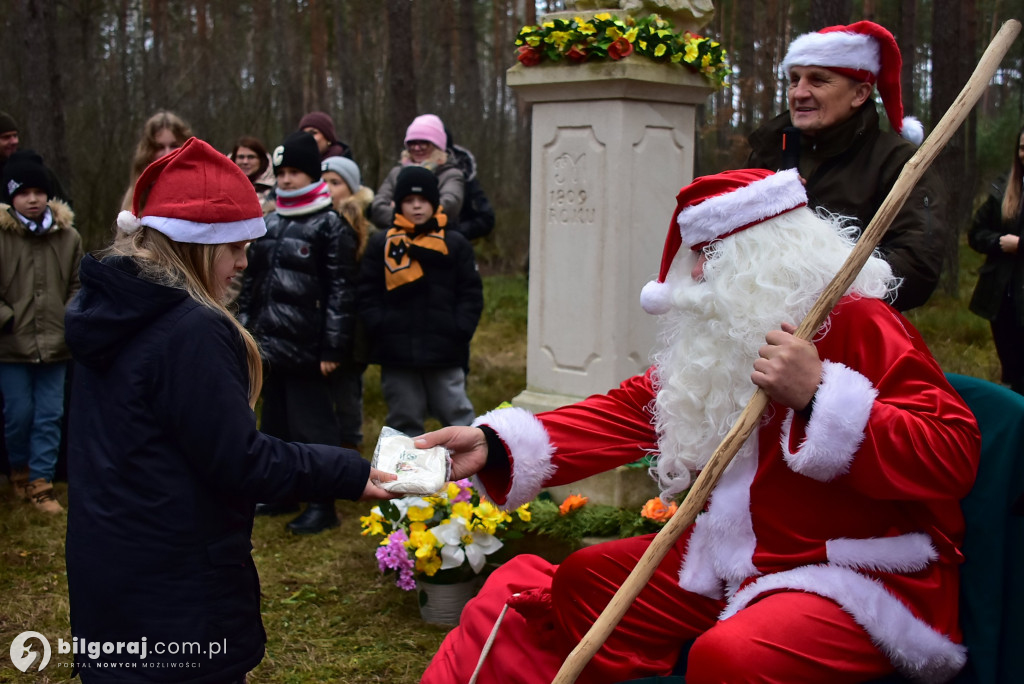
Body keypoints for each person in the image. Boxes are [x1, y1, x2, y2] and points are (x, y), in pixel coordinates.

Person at [417, 168, 981, 684]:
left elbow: (952, 453)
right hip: (737, 555)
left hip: (851, 569)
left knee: (731, 658)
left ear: (764, 256)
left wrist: (818, 396)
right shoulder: (727, 341)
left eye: (709, 256)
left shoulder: (859, 321)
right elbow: (626, 411)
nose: (694, 275)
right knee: (585, 580)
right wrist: (491, 443)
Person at [63, 137, 394, 682]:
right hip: (177, 589)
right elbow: (240, 461)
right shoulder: (191, 330)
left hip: (113, 569)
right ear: (196, 245)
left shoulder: (106, 309)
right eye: (234, 247)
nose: (244, 263)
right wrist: (349, 471)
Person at [746, 21, 945, 312]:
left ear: (860, 94)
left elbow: (917, 267)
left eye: (818, 80)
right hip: (754, 326)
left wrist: (813, 275)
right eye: (794, 79)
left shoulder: (900, 162)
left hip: (844, 334)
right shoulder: (769, 151)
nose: (798, 93)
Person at [236, 131, 360, 535]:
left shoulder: (330, 226)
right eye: (283, 172)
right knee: (274, 427)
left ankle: (323, 503)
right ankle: (281, 492)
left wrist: (332, 346)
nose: (287, 180)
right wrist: (247, 333)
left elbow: (342, 291)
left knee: (314, 430)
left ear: (313, 176)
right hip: (269, 346)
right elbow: (253, 282)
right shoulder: (268, 221)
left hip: (309, 350)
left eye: (296, 173)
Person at [359, 165, 482, 437]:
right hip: (396, 351)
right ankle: (408, 477)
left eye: (423, 200)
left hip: (445, 350)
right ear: (397, 204)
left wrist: (459, 329)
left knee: (457, 415)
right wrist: (379, 325)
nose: (416, 207)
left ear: (435, 203)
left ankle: (470, 477)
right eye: (409, 201)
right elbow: (367, 291)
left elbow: (470, 294)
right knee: (404, 419)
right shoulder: (383, 244)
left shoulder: (455, 243)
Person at [0, 150, 83, 513]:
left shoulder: (69, 238)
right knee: (18, 413)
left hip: (56, 344)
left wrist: (70, 317)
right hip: (11, 344)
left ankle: (42, 482)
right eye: (23, 192)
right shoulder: (2, 237)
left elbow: (80, 284)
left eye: (38, 191)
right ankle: (18, 470)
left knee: (50, 414)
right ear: (11, 196)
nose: (32, 199)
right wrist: (6, 318)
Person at [321, 155, 374, 450]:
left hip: (354, 330)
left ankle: (350, 452)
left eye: (335, 182)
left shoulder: (364, 227)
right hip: (322, 326)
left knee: (347, 395)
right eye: (323, 181)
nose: (327, 187)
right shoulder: (315, 223)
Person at [968, 125, 1024, 394]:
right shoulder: (1003, 188)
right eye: (1022, 148)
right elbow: (976, 233)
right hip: (1002, 296)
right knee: (1010, 368)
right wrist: (998, 243)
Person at [370, 113, 465, 230]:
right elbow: (378, 207)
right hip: (397, 241)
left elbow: (450, 205)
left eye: (423, 143)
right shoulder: (396, 173)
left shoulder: (450, 174)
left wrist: (399, 209)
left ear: (437, 145)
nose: (416, 148)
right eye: (412, 143)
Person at [120, 110, 192, 211]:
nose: (168, 153)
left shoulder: (200, 187)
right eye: (160, 147)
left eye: (174, 146)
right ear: (149, 151)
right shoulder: (136, 195)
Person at [445, 127, 496, 241]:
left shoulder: (463, 173)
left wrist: (453, 233)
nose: (418, 148)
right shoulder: (402, 173)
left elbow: (486, 219)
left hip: (452, 251)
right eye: (414, 143)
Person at [229, 135, 275, 214]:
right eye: (241, 157)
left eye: (251, 157)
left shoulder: (274, 190)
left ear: (261, 160)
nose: (245, 162)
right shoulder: (223, 189)